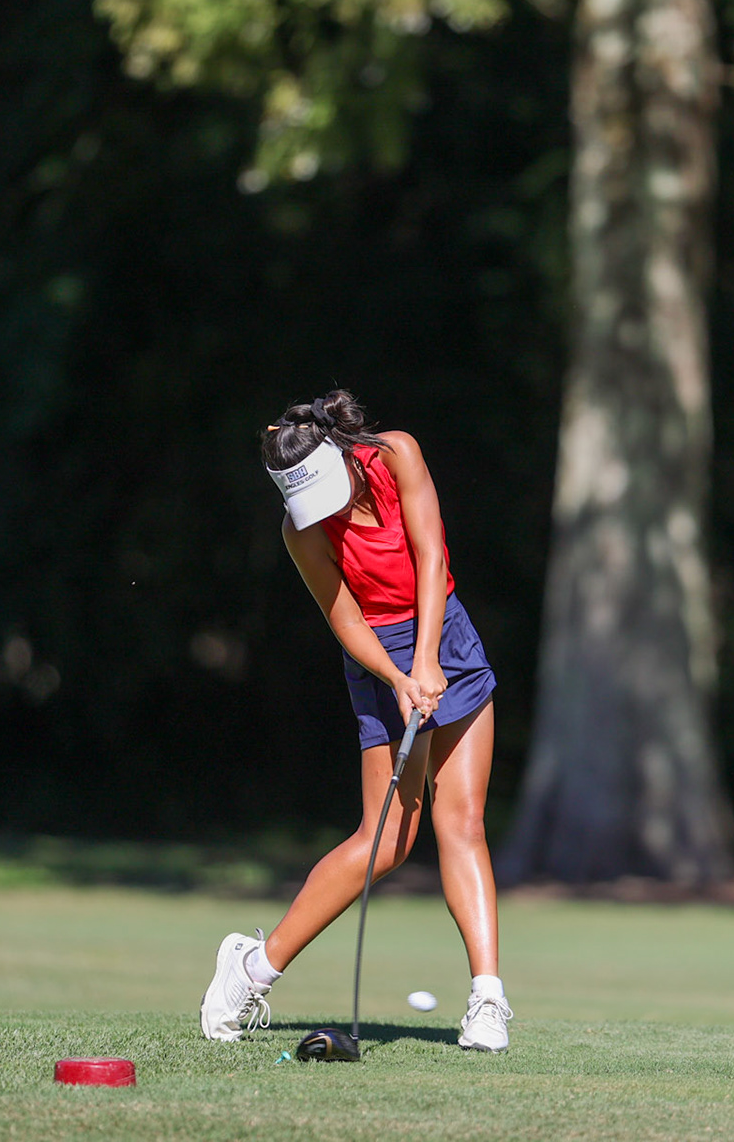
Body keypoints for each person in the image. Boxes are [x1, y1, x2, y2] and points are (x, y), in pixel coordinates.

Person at [198, 389, 513, 1052]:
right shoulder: (299, 528)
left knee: (463, 824)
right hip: (377, 657)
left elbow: (432, 556)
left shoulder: (397, 455)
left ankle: (488, 999)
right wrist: (399, 677)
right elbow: (344, 619)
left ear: (343, 458)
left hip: (445, 633)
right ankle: (252, 967)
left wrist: (428, 658)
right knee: (389, 840)